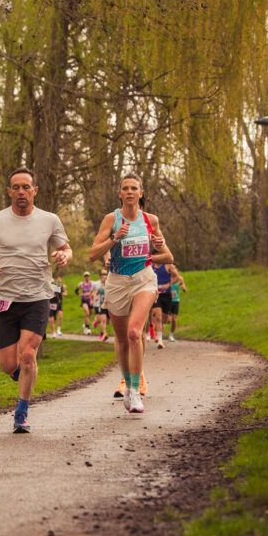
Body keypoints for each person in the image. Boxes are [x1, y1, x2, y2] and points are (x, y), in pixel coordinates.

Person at [0, 167, 72, 433]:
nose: (21, 192)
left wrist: (64, 256)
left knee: (28, 354)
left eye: (26, 187)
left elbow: (65, 247)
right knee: (8, 364)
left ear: (34, 190)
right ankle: (26, 375)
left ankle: (21, 412)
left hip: (38, 295)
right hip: (3, 297)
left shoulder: (49, 220)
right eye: (16, 187)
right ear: (9, 191)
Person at [88, 173, 172, 414]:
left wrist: (154, 252)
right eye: (125, 188)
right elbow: (93, 253)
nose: (130, 192)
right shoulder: (110, 219)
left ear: (141, 193)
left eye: (134, 188)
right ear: (120, 194)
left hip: (144, 279)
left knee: (136, 332)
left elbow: (168, 256)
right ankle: (127, 383)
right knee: (123, 339)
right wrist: (115, 239)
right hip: (117, 282)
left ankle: (135, 390)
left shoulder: (150, 220)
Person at [152, 262, 172, 348]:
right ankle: (160, 341)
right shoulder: (150, 267)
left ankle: (161, 325)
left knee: (165, 319)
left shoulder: (168, 266)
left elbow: (177, 277)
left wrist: (168, 284)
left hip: (167, 295)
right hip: (156, 295)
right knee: (158, 317)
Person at [166, 264, 187, 342]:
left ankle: (171, 335)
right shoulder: (167, 278)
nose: (173, 270)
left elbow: (182, 285)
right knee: (168, 320)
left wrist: (183, 288)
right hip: (167, 300)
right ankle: (159, 328)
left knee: (174, 319)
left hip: (175, 300)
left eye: (174, 268)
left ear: (177, 270)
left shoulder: (180, 278)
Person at [93, 271, 109, 341]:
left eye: (104, 276)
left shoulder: (110, 286)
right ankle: (104, 334)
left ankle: (97, 322)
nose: (103, 278)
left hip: (110, 306)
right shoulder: (100, 287)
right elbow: (96, 294)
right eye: (102, 277)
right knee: (103, 320)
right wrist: (96, 297)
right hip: (102, 305)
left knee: (107, 321)